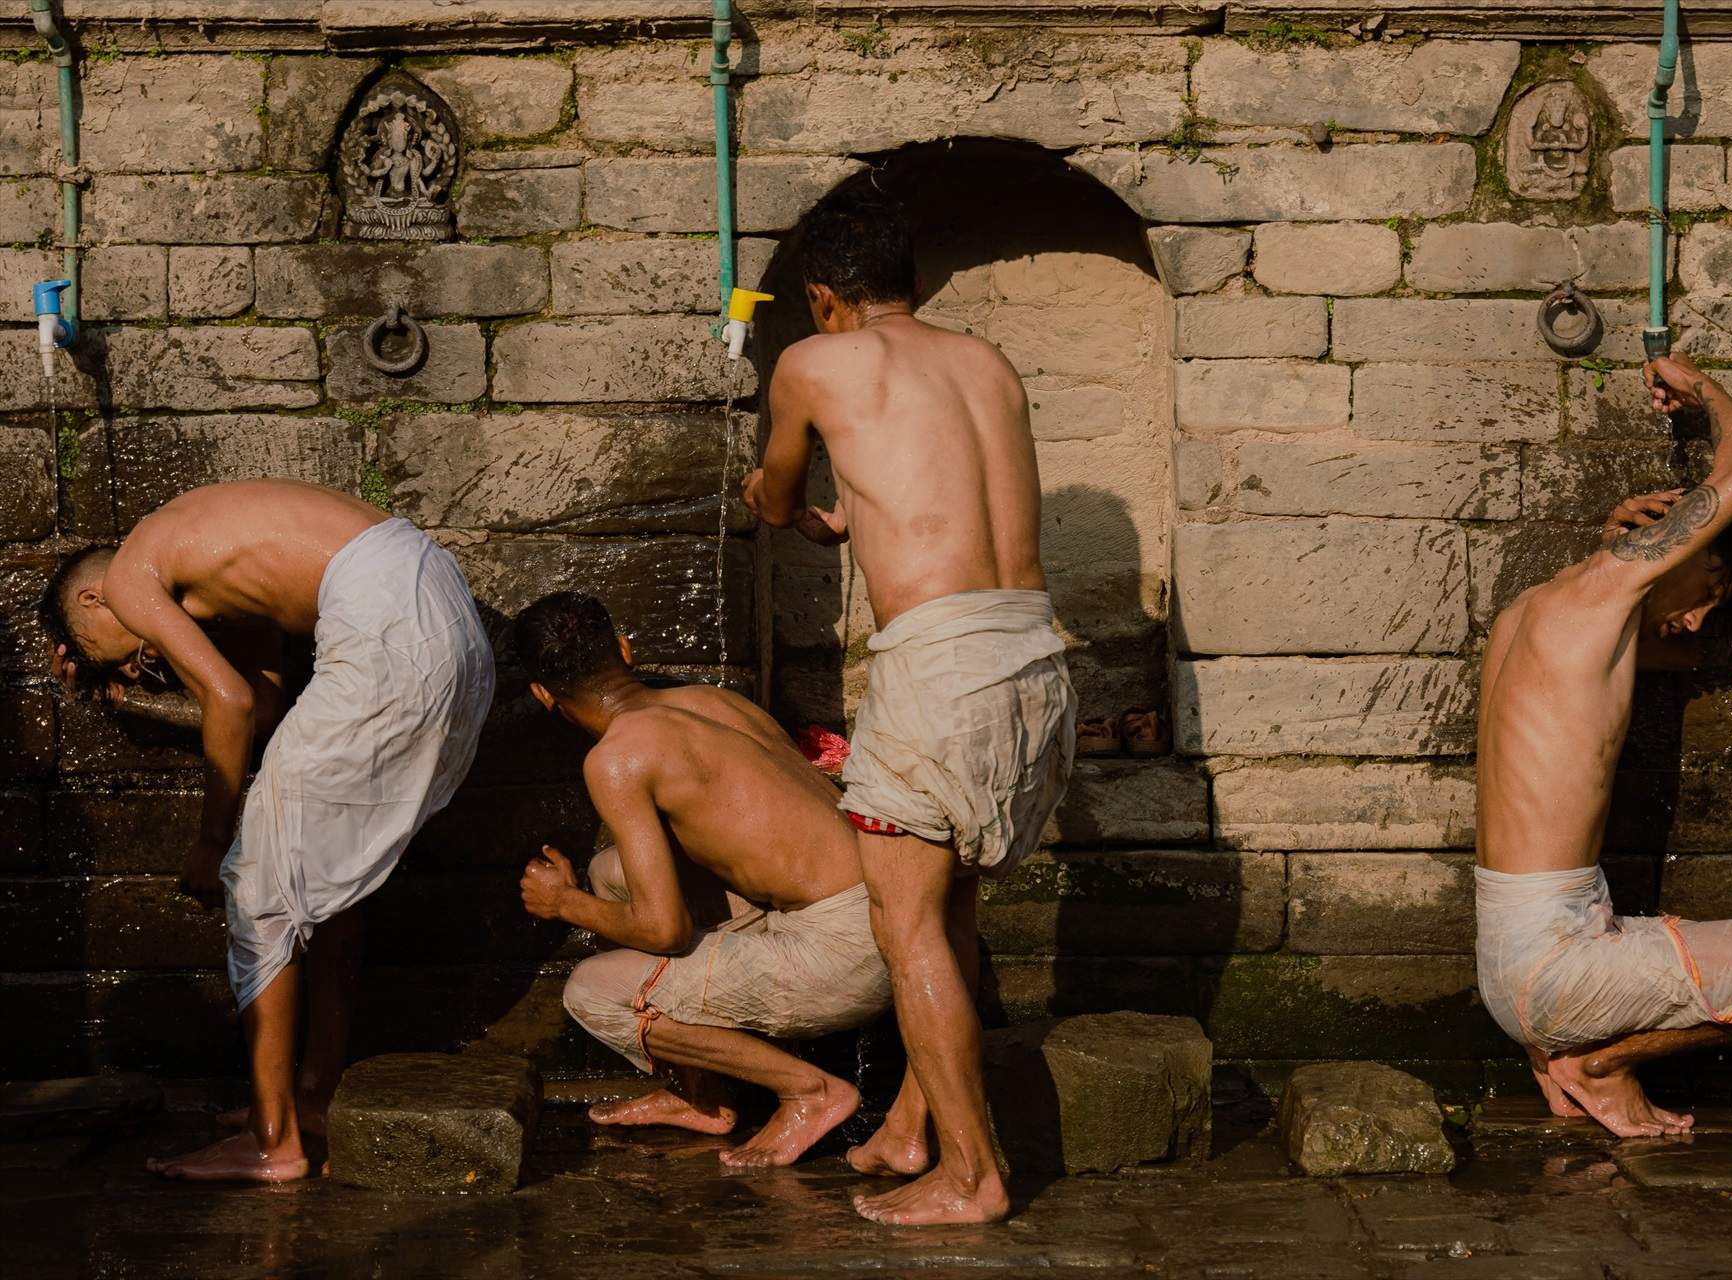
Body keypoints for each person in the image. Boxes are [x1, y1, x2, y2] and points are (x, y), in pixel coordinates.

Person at [742, 188, 1076, 1224]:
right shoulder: (988, 362)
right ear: (916, 285)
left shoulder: (811, 361)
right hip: (1037, 654)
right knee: (950, 901)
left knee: (904, 920)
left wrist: (799, 515)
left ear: (824, 298)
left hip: (941, 664)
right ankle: (907, 1126)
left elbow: (772, 488)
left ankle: (974, 1175)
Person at [40, 480, 494, 1180]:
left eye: (101, 652)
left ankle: (272, 1141)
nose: (130, 664)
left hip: (385, 628)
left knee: (254, 888)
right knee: (326, 886)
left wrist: (211, 840)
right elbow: (266, 708)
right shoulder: (216, 567)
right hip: (449, 628)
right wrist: (130, 696)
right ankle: (312, 1096)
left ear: (92, 601)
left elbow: (228, 698)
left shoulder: (131, 573)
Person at [1475, 352, 1732, 1138]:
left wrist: (1624, 540)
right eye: (1710, 589)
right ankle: (1602, 1064)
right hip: (1556, 967)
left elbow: (1675, 649)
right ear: (1683, 547)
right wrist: (1697, 386)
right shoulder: (1596, 602)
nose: (1702, 619)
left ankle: (1571, 1053)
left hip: (1523, 956)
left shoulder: (1534, 612)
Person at [512, 592, 892, 1168]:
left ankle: (810, 1092)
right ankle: (699, 1096)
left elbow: (663, 929)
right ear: (624, 650)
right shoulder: (711, 702)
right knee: (611, 872)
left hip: (845, 955)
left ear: (543, 695)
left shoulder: (615, 760)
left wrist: (563, 903)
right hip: (886, 916)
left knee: (592, 992)